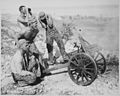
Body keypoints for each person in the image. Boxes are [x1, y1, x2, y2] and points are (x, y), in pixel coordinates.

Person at [15, 6, 43, 77]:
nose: (25, 11)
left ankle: (42, 71)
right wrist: (18, 44)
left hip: (29, 39)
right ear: (21, 10)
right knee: (30, 58)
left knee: (38, 54)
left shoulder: (36, 29)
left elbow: (33, 20)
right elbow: (28, 22)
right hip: (23, 40)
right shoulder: (20, 19)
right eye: (24, 9)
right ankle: (29, 73)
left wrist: (30, 12)